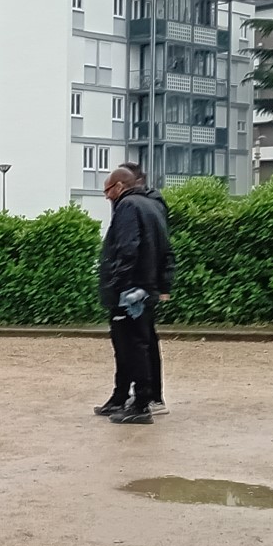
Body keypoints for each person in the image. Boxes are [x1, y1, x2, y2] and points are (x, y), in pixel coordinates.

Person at [95, 167, 174, 426]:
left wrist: (118, 286)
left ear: (119, 186)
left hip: (130, 291)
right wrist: (162, 285)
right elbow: (165, 250)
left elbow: (127, 249)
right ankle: (128, 398)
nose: (107, 196)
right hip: (145, 288)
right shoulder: (153, 206)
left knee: (130, 346)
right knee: (140, 343)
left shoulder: (128, 206)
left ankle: (140, 403)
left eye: (108, 190)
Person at [119, 162, 173, 415]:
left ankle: (149, 397)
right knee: (141, 340)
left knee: (142, 341)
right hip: (146, 283)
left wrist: (162, 284)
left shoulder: (143, 205)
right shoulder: (151, 203)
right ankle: (141, 395)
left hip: (140, 285)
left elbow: (158, 247)